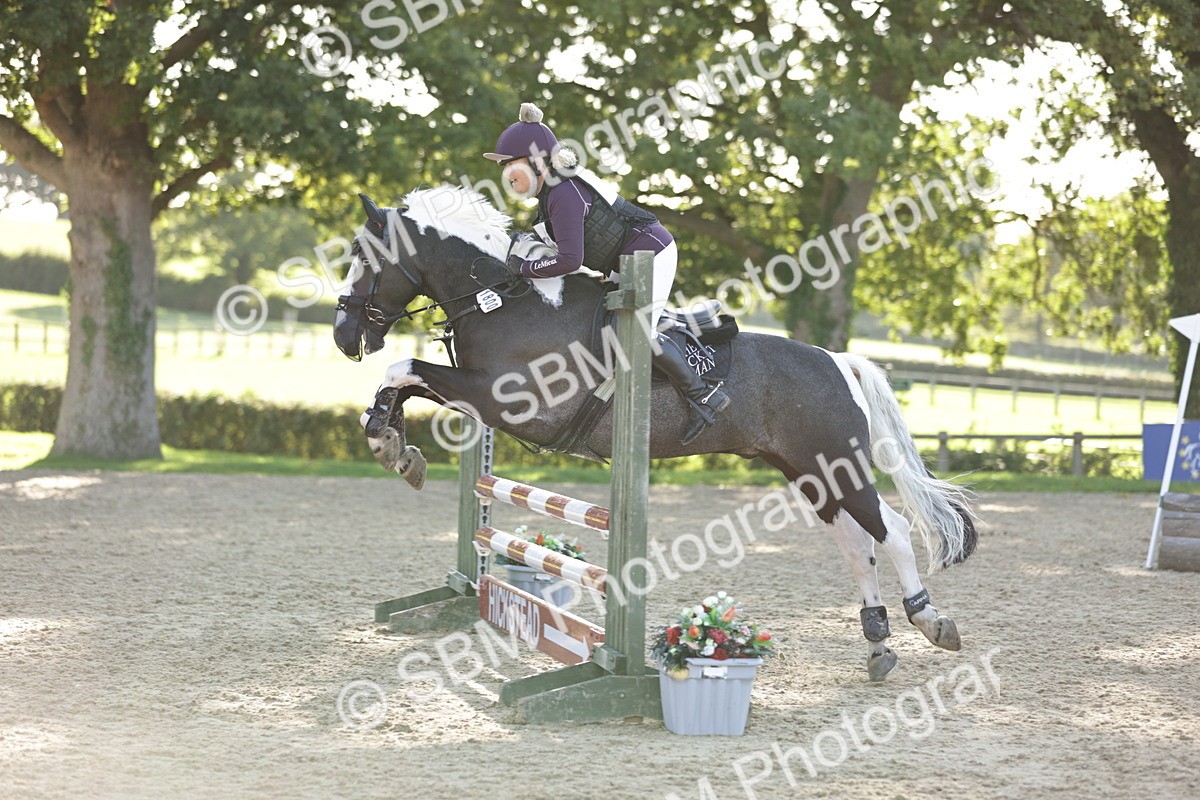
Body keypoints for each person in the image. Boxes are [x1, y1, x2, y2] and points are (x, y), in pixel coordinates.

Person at [483, 102, 730, 445]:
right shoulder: (550, 195)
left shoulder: (564, 193)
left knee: (632, 334)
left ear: (537, 160)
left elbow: (570, 260)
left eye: (511, 163)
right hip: (625, 262)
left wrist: (524, 270)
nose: (506, 172)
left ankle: (704, 396)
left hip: (651, 255)